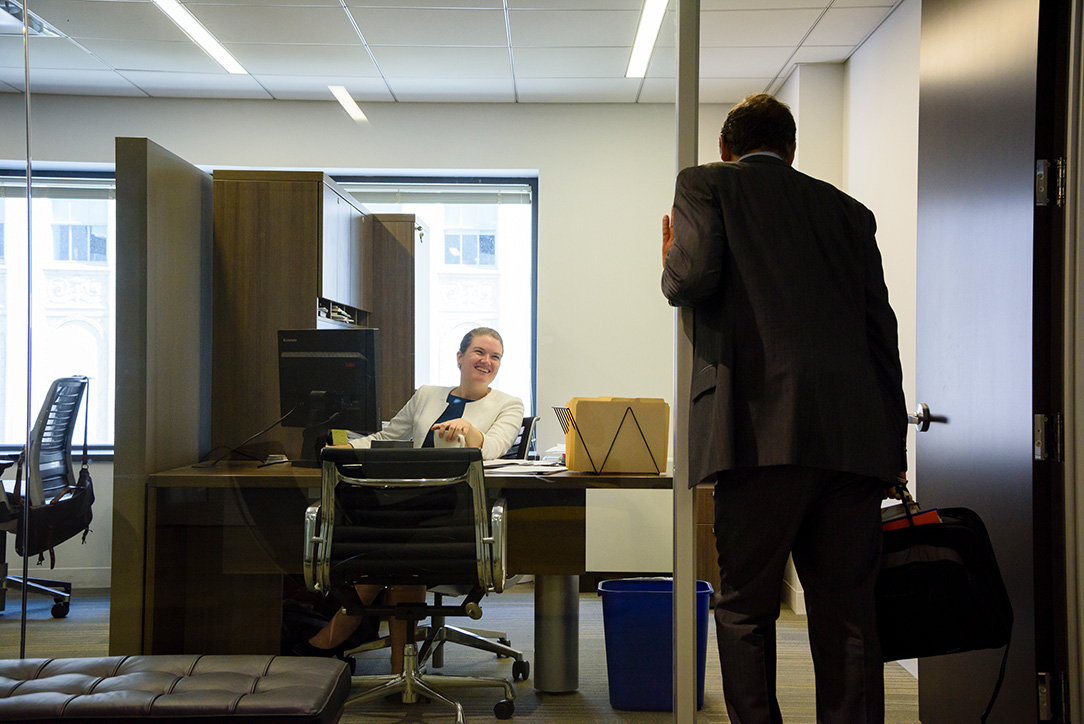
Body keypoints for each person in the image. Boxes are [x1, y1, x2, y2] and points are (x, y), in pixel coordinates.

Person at [660, 93, 907, 724]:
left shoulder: (705, 184)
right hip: (853, 444)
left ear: (725, 147)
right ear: (793, 151)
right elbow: (883, 333)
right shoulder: (850, 213)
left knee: (744, 606)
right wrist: (892, 451)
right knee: (848, 615)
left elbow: (691, 284)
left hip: (755, 435)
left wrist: (669, 258)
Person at [296, 326, 524, 673]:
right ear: (460, 356)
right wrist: (345, 448)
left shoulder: (508, 404)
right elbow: (389, 436)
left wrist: (471, 432)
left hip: (459, 512)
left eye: (495, 356)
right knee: (399, 548)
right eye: (479, 352)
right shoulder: (427, 394)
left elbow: (493, 448)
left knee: (397, 551)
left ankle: (345, 636)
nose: (486, 361)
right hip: (409, 502)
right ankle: (398, 667)